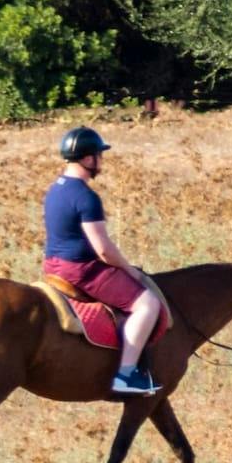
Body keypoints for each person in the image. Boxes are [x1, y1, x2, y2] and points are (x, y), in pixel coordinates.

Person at [37, 126, 165, 395]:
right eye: (98, 155)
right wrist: (131, 271)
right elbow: (103, 250)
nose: (101, 161)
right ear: (87, 159)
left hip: (52, 266)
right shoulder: (86, 196)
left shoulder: (55, 189)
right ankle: (126, 375)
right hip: (81, 269)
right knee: (148, 304)